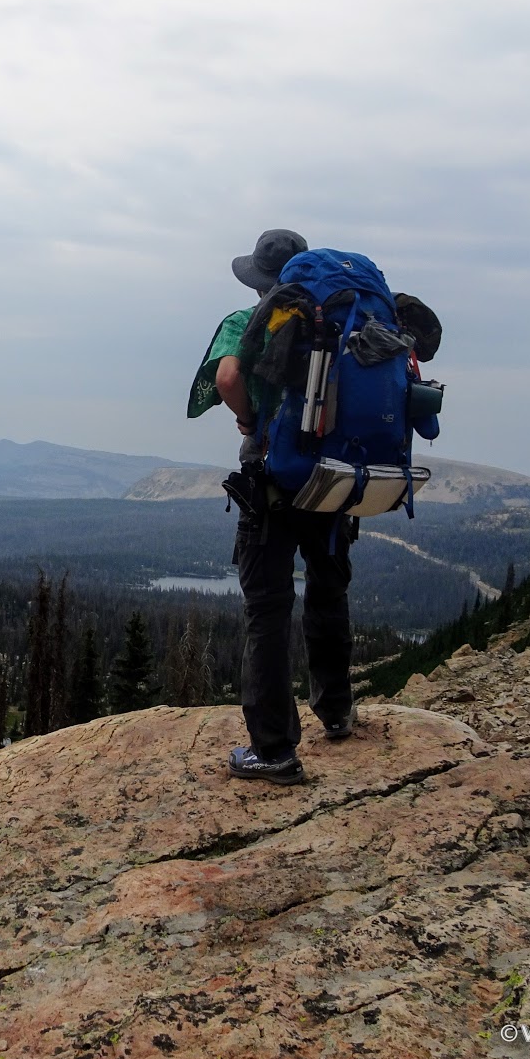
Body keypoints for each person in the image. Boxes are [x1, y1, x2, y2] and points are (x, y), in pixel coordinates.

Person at [187, 228, 354, 787]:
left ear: (258, 279)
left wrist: (247, 420)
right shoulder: (339, 320)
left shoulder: (246, 320)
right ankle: (337, 712)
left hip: (271, 478)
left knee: (267, 609)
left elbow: (227, 377)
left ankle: (275, 750)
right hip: (332, 479)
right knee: (328, 589)